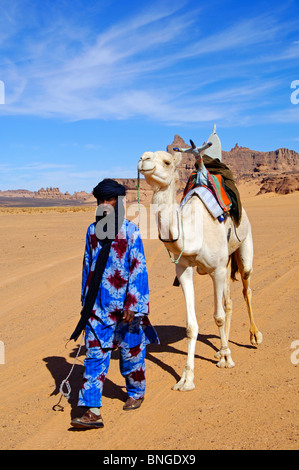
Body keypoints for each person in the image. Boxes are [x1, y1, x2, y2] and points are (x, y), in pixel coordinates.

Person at [70, 178, 159, 429]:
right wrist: (85, 304)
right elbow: (87, 267)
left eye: (109, 200)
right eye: (101, 201)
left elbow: (139, 268)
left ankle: (135, 392)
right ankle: (92, 410)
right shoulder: (91, 231)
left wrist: (134, 304)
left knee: (132, 354)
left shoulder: (131, 232)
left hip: (127, 308)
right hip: (98, 307)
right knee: (94, 356)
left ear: (119, 203)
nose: (104, 204)